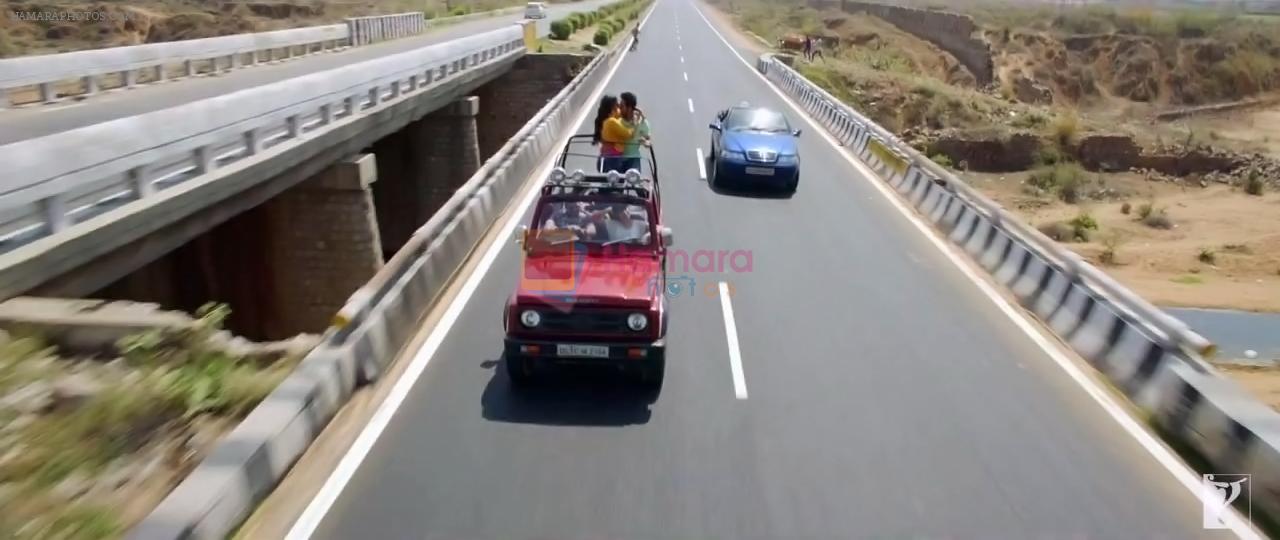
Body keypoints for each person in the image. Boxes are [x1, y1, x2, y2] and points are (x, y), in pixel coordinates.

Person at [593, 95, 634, 173]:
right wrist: (633, 126)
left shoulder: (606, 120)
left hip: (605, 159)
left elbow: (619, 115)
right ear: (613, 108)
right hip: (613, 161)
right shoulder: (612, 122)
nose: (619, 108)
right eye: (617, 105)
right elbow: (628, 134)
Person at [618, 92, 650, 174]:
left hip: (633, 159)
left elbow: (648, 139)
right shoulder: (616, 121)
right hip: (616, 159)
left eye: (622, 106)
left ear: (629, 108)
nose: (619, 108)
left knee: (634, 183)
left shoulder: (642, 122)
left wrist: (646, 142)